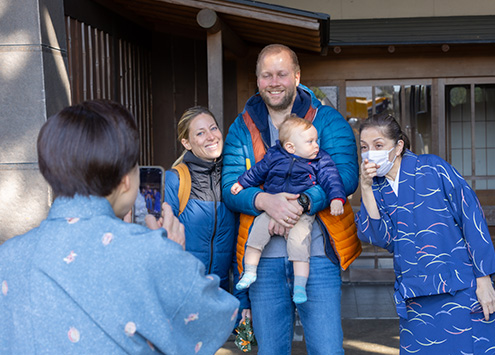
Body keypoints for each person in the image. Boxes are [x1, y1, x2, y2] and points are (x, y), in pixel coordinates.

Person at [0, 100, 239, 354]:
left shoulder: (8, 255)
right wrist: (173, 255)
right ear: (126, 179)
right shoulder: (150, 251)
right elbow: (217, 317)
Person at [222, 44, 360, 354]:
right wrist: (264, 201)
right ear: (257, 80)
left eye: (281, 74)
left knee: (327, 349)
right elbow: (230, 185)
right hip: (263, 260)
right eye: (266, 75)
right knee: (271, 350)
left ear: (297, 76)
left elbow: (346, 175)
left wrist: (302, 202)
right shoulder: (241, 127)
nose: (274, 82)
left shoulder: (327, 120)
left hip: (317, 255)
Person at [356, 113, 495, 354]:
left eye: (378, 146)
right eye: (364, 147)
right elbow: (381, 238)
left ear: (398, 146)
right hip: (415, 294)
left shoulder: (433, 167)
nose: (370, 153)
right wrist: (365, 188)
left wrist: (484, 279)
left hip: (460, 286)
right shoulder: (376, 187)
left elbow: (471, 217)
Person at [231, 116, 346, 305]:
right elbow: (258, 171)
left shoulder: (319, 159)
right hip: (272, 207)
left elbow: (332, 178)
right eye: (310, 142)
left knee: (299, 242)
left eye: (316, 140)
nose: (316, 145)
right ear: (291, 147)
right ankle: (250, 271)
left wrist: (336, 198)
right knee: (257, 233)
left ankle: (300, 286)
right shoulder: (274, 156)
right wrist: (242, 183)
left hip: (301, 214)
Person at [165, 106, 236, 291]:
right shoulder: (175, 180)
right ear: (187, 143)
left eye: (213, 128)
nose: (211, 137)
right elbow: (162, 242)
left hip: (222, 295)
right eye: (200, 133)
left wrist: (242, 298)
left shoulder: (232, 178)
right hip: (183, 292)